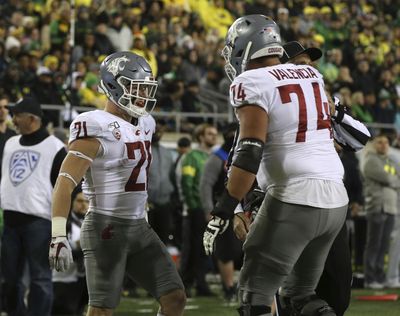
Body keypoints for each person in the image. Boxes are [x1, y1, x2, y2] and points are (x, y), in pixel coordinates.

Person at [203, 15, 348, 316]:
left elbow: (250, 150)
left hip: (295, 197)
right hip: (336, 199)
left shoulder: (250, 81)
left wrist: (223, 208)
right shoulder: (310, 75)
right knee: (300, 295)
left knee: (254, 295)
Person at [48, 51, 186, 316]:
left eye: (146, 89)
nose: (143, 96)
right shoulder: (94, 125)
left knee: (175, 297)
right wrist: (57, 234)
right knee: (101, 310)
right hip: (105, 228)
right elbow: (65, 182)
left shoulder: (146, 122)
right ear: (113, 86)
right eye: (136, 89)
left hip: (139, 225)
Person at [272, 41, 370, 316]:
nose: (310, 69)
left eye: (311, 64)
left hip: (330, 201)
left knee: (338, 292)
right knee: (296, 290)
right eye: (301, 63)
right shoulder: (268, 97)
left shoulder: (325, 100)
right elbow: (246, 151)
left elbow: (360, 139)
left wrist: (333, 110)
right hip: (289, 199)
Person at [1, 96, 67, 316]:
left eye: (16, 116)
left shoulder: (55, 147)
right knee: (10, 279)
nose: (13, 120)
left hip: (38, 221)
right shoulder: (10, 143)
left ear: (31, 119)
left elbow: (66, 186)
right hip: (10, 221)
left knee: (40, 278)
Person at [200, 122, 242, 303]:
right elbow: (205, 185)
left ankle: (240, 287)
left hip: (243, 209)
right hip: (224, 209)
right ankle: (229, 287)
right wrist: (209, 210)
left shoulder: (243, 153)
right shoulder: (218, 157)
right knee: (226, 251)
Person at [180, 123, 218, 297]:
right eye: (210, 134)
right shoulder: (191, 157)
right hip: (195, 211)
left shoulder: (216, 157)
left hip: (211, 211)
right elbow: (187, 184)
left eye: (214, 134)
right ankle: (185, 284)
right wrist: (196, 207)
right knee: (191, 249)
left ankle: (201, 284)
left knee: (205, 250)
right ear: (200, 136)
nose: (213, 137)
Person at [362, 134, 400, 289]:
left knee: (383, 245)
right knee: (374, 244)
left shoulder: (389, 160)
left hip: (390, 208)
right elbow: (389, 179)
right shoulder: (371, 160)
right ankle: (370, 279)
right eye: (380, 142)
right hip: (377, 207)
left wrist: (394, 179)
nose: (383, 145)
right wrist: (394, 179)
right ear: (374, 145)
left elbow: (395, 179)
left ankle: (379, 277)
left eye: (385, 142)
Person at [52, 185, 89, 316]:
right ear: (72, 202)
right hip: (63, 280)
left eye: (86, 201)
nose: (83, 205)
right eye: (79, 201)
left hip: (83, 280)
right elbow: (60, 254)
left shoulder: (91, 223)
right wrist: (81, 245)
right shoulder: (64, 224)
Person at [147, 123, 175, 244]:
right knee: (147, 239)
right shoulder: (142, 149)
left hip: (165, 202)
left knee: (163, 239)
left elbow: (171, 174)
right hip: (147, 203)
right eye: (154, 130)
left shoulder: (167, 152)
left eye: (159, 131)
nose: (157, 133)